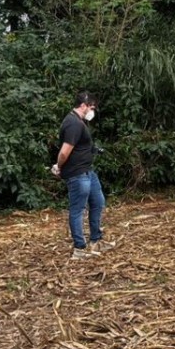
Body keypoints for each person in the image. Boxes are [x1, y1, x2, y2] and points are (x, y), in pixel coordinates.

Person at [51, 92, 115, 259]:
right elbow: (64, 152)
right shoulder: (73, 123)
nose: (92, 111)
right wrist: (59, 166)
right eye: (91, 107)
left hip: (88, 171)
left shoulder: (80, 122)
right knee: (77, 210)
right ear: (84, 105)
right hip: (77, 174)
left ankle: (96, 241)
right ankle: (79, 249)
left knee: (98, 202)